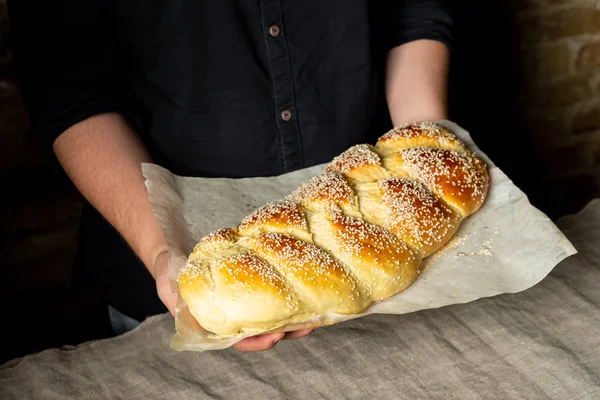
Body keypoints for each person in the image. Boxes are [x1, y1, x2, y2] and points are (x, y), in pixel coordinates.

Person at [8, 0, 453, 352]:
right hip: (158, 276)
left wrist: (423, 166)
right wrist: (165, 253)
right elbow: (68, 90)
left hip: (381, 256)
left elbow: (413, 12)